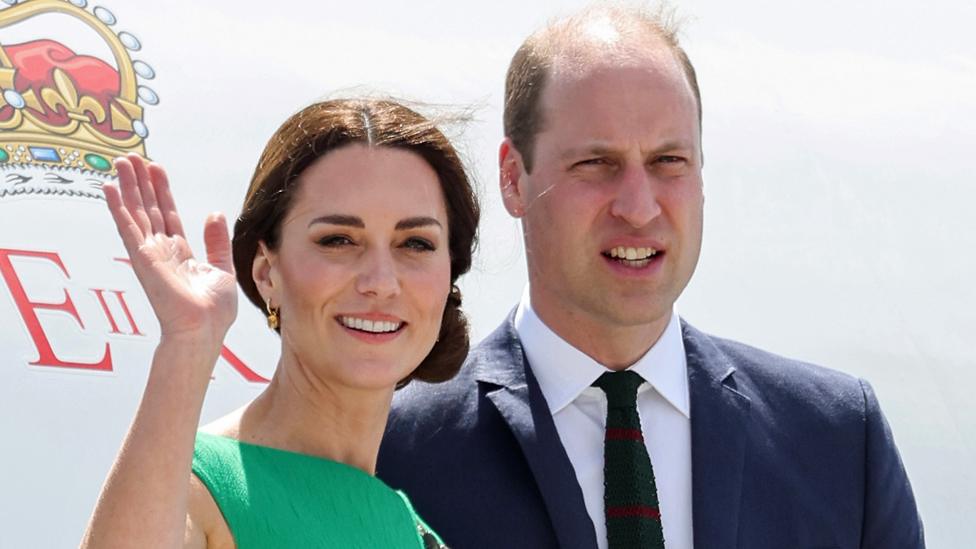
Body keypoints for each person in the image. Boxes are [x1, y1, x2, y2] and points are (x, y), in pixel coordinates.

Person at [377, 6, 924, 549]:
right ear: (514, 179)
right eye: (596, 163)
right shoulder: (394, 453)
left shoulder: (840, 441)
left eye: (668, 161)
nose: (638, 208)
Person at [81, 98, 479, 548]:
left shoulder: (413, 530)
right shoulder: (197, 488)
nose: (381, 282)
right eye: (339, 240)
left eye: (415, 244)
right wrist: (187, 345)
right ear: (266, 272)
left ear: (450, 273)